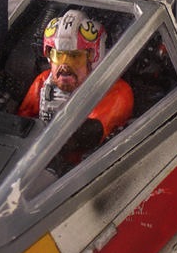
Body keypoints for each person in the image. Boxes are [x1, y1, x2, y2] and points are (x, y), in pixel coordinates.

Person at [18, 10, 133, 163]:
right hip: (37, 161)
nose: (65, 66)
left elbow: (84, 136)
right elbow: (20, 125)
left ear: (94, 57)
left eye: (74, 57)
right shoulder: (43, 81)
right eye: (59, 56)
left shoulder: (116, 92)